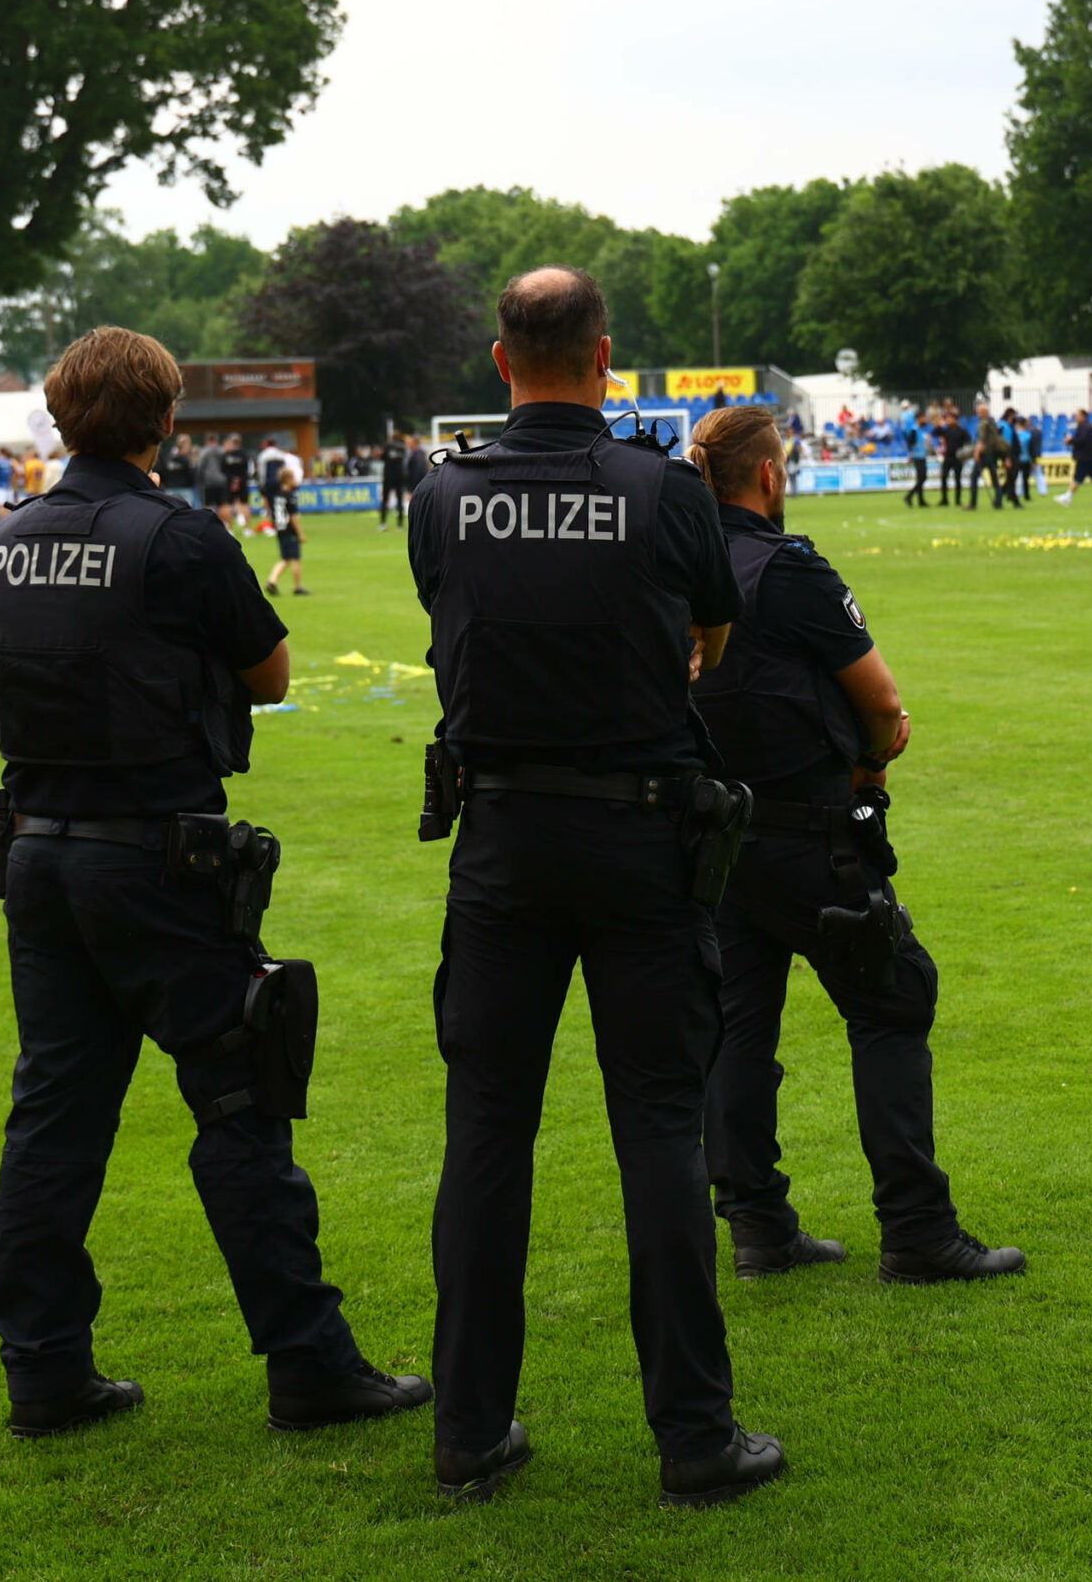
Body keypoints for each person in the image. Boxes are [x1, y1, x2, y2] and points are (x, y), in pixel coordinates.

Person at [0, 325, 427, 1445]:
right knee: (238, 1094)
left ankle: (42, 1368)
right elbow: (267, 672)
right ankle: (308, 1362)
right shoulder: (175, 539)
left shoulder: (5, 541)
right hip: (153, 857)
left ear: (60, 415)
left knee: (55, 1116)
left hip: (36, 849)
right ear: (166, 421)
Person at [407, 266, 781, 1508]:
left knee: (485, 1137)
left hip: (503, 838)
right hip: (639, 836)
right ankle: (692, 1437)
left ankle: (468, 1426)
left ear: (501, 360)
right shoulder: (664, 491)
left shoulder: (443, 498)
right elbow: (711, 637)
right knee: (659, 1133)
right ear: (606, 358)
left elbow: (452, 622)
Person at [682, 404, 1026, 1288]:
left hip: (716, 838)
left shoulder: (678, 566)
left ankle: (758, 1227)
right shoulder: (787, 568)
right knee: (891, 1002)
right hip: (812, 832)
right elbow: (878, 696)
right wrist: (873, 759)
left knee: (737, 1031)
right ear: (766, 475)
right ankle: (918, 1231)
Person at [265, 465, 307, 596]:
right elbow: (293, 517)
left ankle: (272, 581)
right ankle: (297, 586)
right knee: (294, 558)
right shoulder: (290, 497)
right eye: (293, 478)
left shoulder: (278, 496)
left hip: (280, 529)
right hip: (289, 531)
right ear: (288, 480)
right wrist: (300, 533)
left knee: (285, 558)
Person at [1056, 410, 1092, 506]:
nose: (1076, 417)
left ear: (1083, 416)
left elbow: (1082, 440)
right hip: (1090, 457)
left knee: (1077, 479)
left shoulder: (1085, 427)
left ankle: (1067, 497)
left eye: (1077, 415)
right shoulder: (1086, 426)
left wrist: (1071, 440)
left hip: (1085, 458)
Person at [379, 434, 408, 529]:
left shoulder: (387, 446)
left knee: (385, 499)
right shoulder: (402, 447)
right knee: (400, 499)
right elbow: (404, 458)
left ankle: (383, 523)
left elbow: (381, 458)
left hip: (388, 475)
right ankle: (400, 524)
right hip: (399, 475)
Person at [900, 420, 930, 508]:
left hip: (921, 456)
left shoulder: (919, 430)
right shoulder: (914, 430)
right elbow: (911, 444)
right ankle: (909, 496)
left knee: (921, 478)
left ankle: (921, 500)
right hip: (918, 457)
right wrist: (910, 456)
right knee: (923, 478)